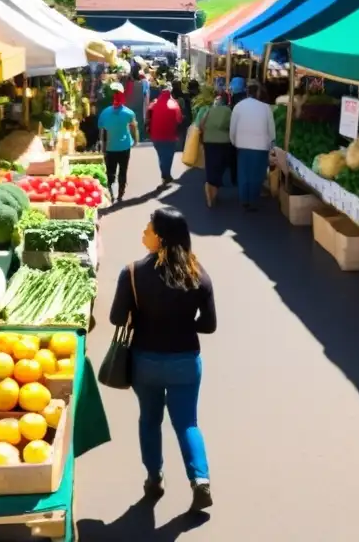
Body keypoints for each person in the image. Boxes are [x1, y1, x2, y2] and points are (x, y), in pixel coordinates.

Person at [109, 207, 216, 512]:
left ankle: (154, 478)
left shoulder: (132, 273)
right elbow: (209, 325)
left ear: (160, 237)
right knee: (187, 423)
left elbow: (117, 317)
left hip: (146, 362)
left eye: (148, 228)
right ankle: (200, 481)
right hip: (186, 361)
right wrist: (182, 323)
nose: (144, 232)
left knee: (150, 419)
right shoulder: (199, 275)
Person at [229, 82, 276, 210]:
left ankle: (244, 199)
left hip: (242, 145)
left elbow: (232, 127)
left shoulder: (238, 106)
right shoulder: (266, 108)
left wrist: (234, 141)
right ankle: (253, 200)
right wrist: (272, 144)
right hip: (261, 147)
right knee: (257, 174)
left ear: (247, 93)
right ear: (258, 93)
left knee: (244, 173)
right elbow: (271, 129)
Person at [98, 83, 139, 202]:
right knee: (123, 170)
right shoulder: (129, 113)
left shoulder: (104, 113)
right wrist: (136, 140)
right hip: (124, 146)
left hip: (110, 147)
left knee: (110, 171)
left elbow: (102, 131)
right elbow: (134, 128)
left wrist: (102, 146)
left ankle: (111, 193)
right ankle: (121, 193)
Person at [199, 93, 233, 207]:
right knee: (220, 167)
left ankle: (210, 187)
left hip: (208, 142)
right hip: (223, 143)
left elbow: (201, 125)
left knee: (211, 165)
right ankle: (213, 191)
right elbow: (231, 127)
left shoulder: (209, 110)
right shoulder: (228, 111)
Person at [148, 88, 183, 185]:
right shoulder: (174, 104)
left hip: (156, 135)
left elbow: (148, 116)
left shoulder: (154, 104)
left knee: (161, 156)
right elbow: (179, 119)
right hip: (170, 135)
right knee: (168, 156)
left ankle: (165, 174)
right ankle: (166, 174)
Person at [124, 68, 150, 141]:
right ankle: (140, 137)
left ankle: (130, 137)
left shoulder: (127, 83)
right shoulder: (143, 83)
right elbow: (146, 95)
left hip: (129, 104)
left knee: (129, 121)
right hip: (139, 104)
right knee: (139, 121)